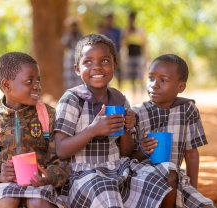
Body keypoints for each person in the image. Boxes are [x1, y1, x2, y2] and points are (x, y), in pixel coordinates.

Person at [54, 34, 177, 208]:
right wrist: (92, 130)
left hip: (118, 168)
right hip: (83, 174)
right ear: (77, 69)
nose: (96, 67)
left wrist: (127, 128)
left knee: (168, 173)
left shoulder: (119, 100)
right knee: (104, 188)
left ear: (115, 66)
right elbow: (61, 150)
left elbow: (125, 153)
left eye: (104, 61)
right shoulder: (72, 100)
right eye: (88, 62)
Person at [0, 52, 71, 208]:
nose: (37, 86)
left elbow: (65, 162)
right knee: (9, 201)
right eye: (30, 81)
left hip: (42, 189)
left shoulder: (48, 116)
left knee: (37, 202)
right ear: (6, 85)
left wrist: (49, 176)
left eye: (38, 80)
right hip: (4, 191)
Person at [132, 54, 214, 208]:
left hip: (174, 179)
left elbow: (191, 154)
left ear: (180, 87)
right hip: (141, 178)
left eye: (163, 80)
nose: (154, 85)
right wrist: (143, 151)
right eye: (151, 78)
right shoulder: (136, 113)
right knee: (168, 174)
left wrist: (192, 190)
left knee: (203, 204)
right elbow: (127, 157)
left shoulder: (188, 110)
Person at [122, 11, 147, 95]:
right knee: (132, 77)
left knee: (140, 76)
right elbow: (123, 44)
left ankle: (141, 92)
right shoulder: (126, 31)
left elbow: (144, 44)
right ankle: (134, 93)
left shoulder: (139, 31)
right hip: (130, 55)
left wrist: (146, 55)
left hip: (138, 55)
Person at [61, 20, 83, 89]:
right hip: (69, 59)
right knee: (69, 77)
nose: (73, 28)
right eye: (72, 26)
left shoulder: (80, 36)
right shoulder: (67, 36)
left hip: (78, 57)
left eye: (75, 26)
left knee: (78, 76)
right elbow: (64, 45)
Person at [103, 13, 122, 89]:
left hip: (116, 54)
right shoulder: (104, 31)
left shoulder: (117, 31)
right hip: (105, 55)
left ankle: (119, 89)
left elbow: (120, 43)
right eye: (108, 19)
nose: (109, 21)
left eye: (110, 19)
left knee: (118, 73)